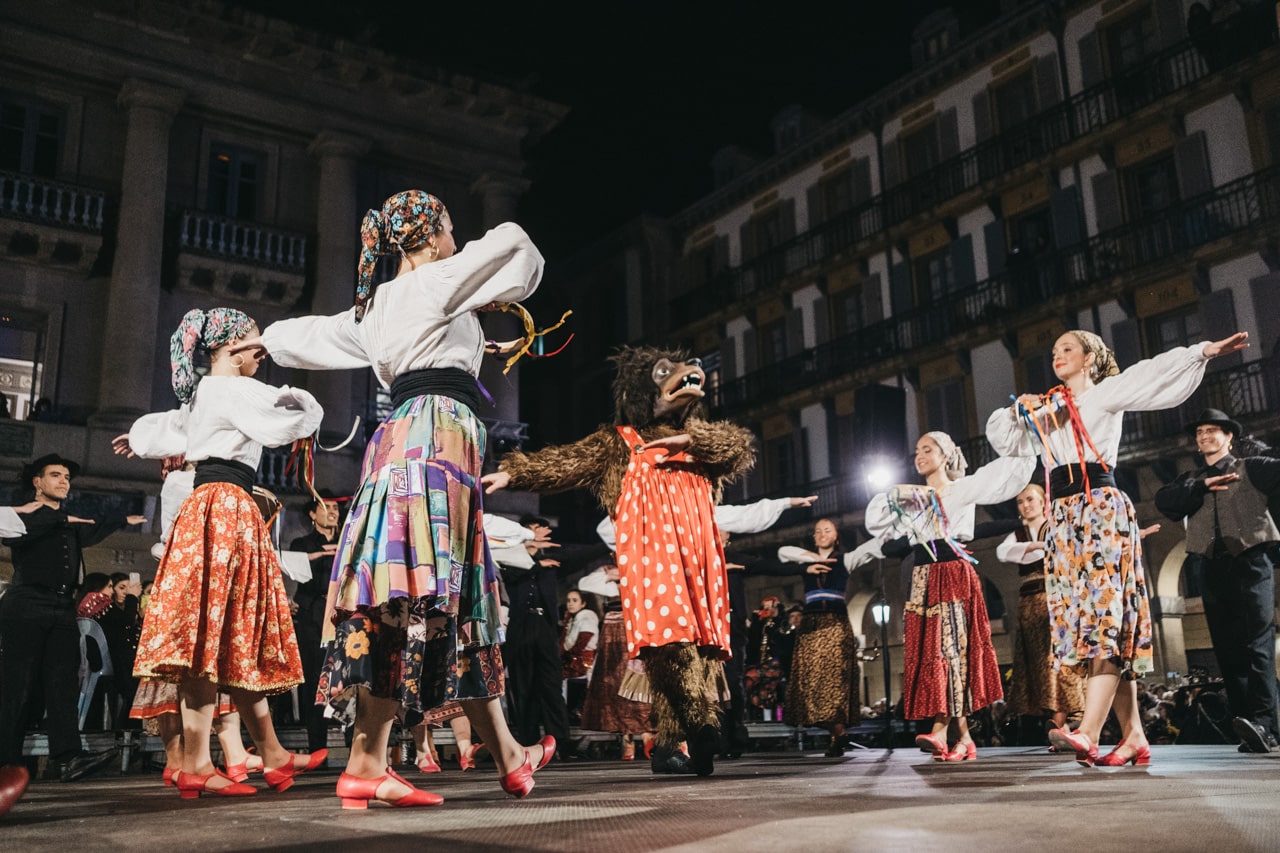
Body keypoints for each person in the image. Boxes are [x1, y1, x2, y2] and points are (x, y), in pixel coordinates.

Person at [242, 189, 550, 806]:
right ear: (431, 235)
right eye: (451, 230)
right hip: (436, 438)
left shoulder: (379, 304)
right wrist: (482, 288)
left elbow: (310, 335)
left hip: (406, 439)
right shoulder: (436, 281)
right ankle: (366, 760)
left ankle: (509, 754)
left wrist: (262, 339)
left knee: (439, 592)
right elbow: (518, 244)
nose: (456, 242)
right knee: (412, 591)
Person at [987, 329, 1249, 767]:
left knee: (1104, 622)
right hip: (1064, 518)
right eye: (1053, 351)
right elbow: (1005, 439)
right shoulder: (1049, 412)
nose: (1057, 355)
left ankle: (1088, 732)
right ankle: (1134, 736)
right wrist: (1018, 408)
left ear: (1090, 357)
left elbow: (1151, 373)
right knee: (1091, 627)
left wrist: (1202, 351)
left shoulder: (1105, 394)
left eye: (1067, 348)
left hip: (1098, 509)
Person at [114, 307, 327, 798]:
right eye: (255, 345)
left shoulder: (209, 391)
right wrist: (302, 398)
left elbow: (176, 425)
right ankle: (207, 760)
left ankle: (242, 757)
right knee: (220, 635)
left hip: (211, 506)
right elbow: (293, 422)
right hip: (227, 506)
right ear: (231, 349)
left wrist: (140, 438)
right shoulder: (233, 389)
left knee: (218, 637)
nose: (261, 353)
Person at [866, 432, 1033, 761]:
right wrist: (898, 495)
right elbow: (876, 518)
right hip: (923, 577)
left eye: (928, 449)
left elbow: (1002, 475)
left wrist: (1026, 440)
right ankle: (965, 738)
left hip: (952, 573)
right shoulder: (914, 497)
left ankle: (941, 730)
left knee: (949, 650)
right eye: (917, 451)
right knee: (933, 652)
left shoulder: (962, 488)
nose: (919, 455)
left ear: (945, 455)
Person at [0, 455, 144, 783]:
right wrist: (63, 519)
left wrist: (122, 519)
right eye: (56, 475)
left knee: (63, 684)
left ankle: (68, 758)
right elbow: (12, 535)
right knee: (17, 686)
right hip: (26, 605)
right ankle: (7, 762)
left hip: (62, 607)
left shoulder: (68, 521)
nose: (64, 481)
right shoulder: (24, 515)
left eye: (67, 476)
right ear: (37, 482)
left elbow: (92, 529)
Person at [1155, 408, 1280, 754]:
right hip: (1209, 567)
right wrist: (1201, 485)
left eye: (1212, 430)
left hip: (1250, 563)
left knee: (1257, 646)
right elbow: (1164, 501)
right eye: (1200, 432)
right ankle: (1247, 724)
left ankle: (1266, 724)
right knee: (1227, 649)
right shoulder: (1190, 480)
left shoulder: (1252, 467)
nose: (1205, 436)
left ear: (1229, 437)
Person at [996, 484, 1085, 737]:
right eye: (1020, 502)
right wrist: (1034, 546)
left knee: (1057, 657)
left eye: (1030, 499)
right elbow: (1002, 552)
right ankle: (1056, 720)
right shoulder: (1019, 533)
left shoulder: (1057, 525)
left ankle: (1060, 718)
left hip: (1057, 600)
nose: (1025, 505)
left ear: (1043, 501)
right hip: (1029, 604)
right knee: (1037, 662)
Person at [776, 519, 862, 758]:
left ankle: (837, 734)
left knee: (835, 679)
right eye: (818, 531)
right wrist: (811, 559)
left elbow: (870, 550)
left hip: (836, 623)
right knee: (812, 680)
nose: (822, 534)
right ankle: (837, 733)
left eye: (828, 530)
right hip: (811, 624)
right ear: (813, 538)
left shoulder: (845, 559)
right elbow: (783, 552)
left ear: (836, 537)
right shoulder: (805, 561)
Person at [501, 515, 574, 757]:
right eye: (532, 529)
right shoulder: (510, 557)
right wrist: (534, 562)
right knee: (523, 686)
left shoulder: (551, 559)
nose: (538, 535)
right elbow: (510, 575)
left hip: (544, 625)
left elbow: (578, 553)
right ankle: (528, 743)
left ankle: (561, 741)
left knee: (551, 684)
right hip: (520, 625)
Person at [577, 558, 655, 763]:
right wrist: (610, 574)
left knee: (640, 682)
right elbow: (584, 584)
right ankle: (627, 739)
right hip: (614, 632)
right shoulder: (608, 571)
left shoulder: (645, 566)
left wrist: (629, 574)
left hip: (638, 627)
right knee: (616, 684)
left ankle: (647, 734)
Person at [288, 490, 342, 755]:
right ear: (312, 513)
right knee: (314, 678)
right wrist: (316, 556)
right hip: (312, 614)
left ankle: (356, 745)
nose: (332, 512)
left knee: (347, 677)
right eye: (325, 507)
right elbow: (292, 570)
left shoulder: (347, 541)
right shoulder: (302, 543)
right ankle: (317, 748)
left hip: (342, 612)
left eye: (335, 508)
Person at [561, 589, 599, 726]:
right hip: (573, 659)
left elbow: (582, 642)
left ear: (583, 603)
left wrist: (566, 656)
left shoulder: (587, 617)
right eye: (568, 600)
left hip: (583, 661)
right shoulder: (572, 618)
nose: (570, 604)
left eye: (574, 600)